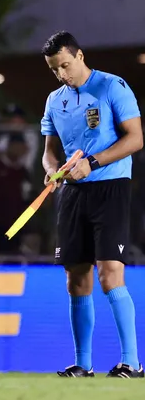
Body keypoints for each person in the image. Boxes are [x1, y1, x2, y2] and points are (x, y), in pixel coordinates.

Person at [40, 31, 144, 378]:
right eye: (55, 70)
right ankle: (83, 364)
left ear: (80, 56)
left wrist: (94, 163)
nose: (62, 75)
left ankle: (131, 361)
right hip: (73, 193)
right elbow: (49, 151)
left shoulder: (113, 87)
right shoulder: (55, 100)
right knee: (76, 277)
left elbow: (136, 138)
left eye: (65, 66)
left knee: (110, 271)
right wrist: (53, 170)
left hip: (110, 186)